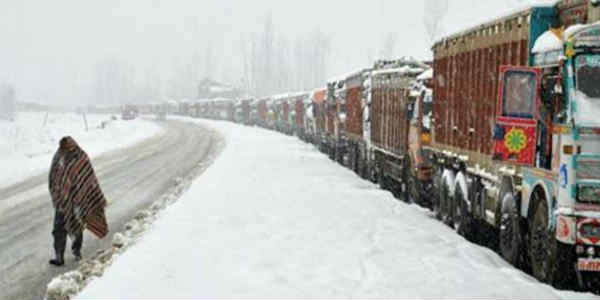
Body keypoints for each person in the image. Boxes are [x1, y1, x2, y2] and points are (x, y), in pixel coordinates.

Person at [48, 136, 109, 266]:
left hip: (77, 200)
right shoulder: (58, 156)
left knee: (76, 226)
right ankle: (59, 256)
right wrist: (57, 194)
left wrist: (81, 195)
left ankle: (77, 251)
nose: (64, 149)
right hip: (62, 200)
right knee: (58, 228)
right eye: (62, 147)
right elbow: (52, 176)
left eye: (66, 147)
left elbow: (88, 178)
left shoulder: (80, 156)